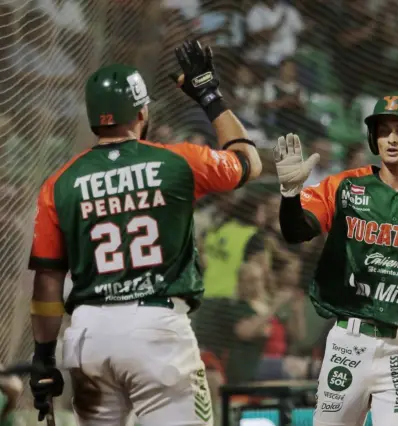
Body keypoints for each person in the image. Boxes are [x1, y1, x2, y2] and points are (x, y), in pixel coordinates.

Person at [27, 40, 262, 426]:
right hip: (158, 329)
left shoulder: (59, 183)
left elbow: (48, 281)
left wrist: (41, 357)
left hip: (89, 336)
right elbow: (248, 162)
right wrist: (208, 93)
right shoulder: (177, 161)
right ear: (141, 110)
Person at [273, 92, 398, 425]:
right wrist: (289, 196)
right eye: (383, 131)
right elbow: (297, 231)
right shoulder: (343, 187)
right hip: (350, 340)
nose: (391, 139)